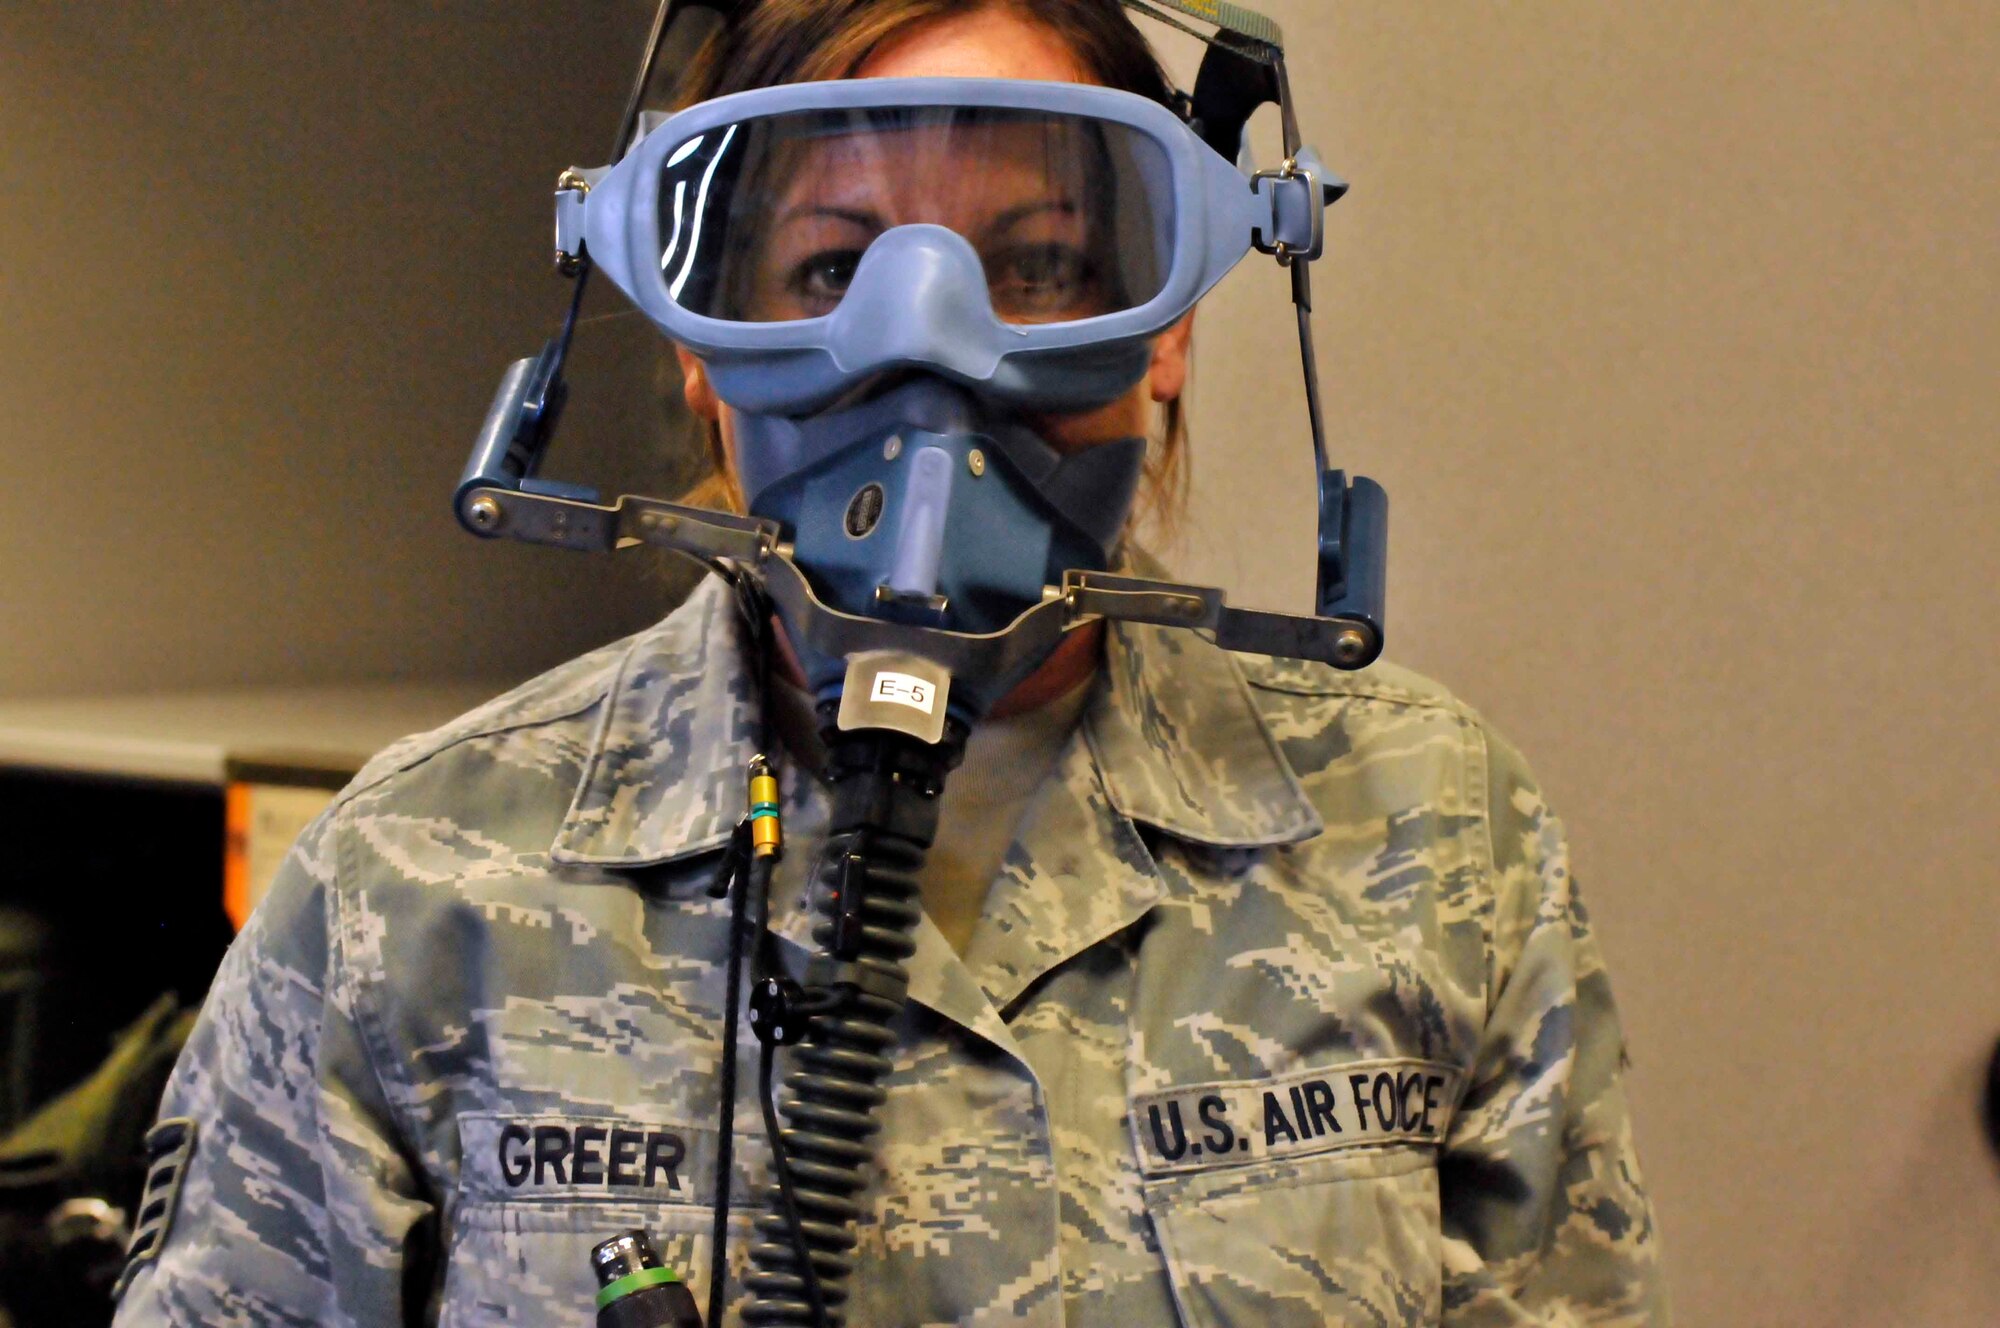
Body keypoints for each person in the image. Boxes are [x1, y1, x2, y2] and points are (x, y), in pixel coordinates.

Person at [110, 2, 1670, 1325]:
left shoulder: (1421, 832)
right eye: (824, 272)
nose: (928, 352)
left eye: (1046, 264)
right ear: (698, 339)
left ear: (1171, 322)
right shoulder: (413, 887)